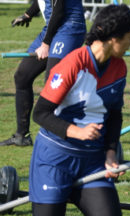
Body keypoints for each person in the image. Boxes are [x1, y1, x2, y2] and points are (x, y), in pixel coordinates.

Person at [27, 4, 130, 216]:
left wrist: (110, 152)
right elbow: (41, 113)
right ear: (112, 38)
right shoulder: (72, 64)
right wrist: (75, 131)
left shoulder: (119, 66)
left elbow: (115, 114)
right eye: (129, 38)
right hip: (55, 160)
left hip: (92, 161)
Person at [1, 0, 86, 147]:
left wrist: (46, 44)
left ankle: (61, 136)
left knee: (54, 82)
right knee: (22, 76)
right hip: (53, 26)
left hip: (69, 27)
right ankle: (22, 136)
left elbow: (58, 10)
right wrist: (28, 14)